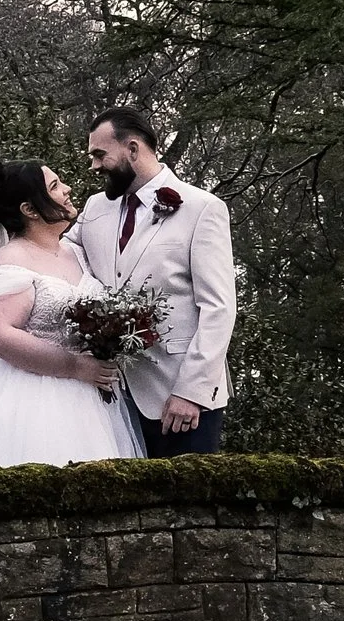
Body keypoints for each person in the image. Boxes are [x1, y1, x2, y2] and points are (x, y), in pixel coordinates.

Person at [0, 158, 146, 477]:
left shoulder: (76, 252)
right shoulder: (12, 259)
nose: (68, 190)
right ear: (30, 210)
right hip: (35, 400)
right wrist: (75, 367)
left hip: (92, 400)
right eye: (55, 187)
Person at [70, 104, 236, 454]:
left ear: (132, 149)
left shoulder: (202, 208)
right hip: (111, 398)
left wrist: (190, 392)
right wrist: (2, 275)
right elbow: (56, 257)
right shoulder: (95, 208)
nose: (94, 165)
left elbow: (219, 308)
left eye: (100, 154)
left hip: (180, 399)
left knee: (189, 504)